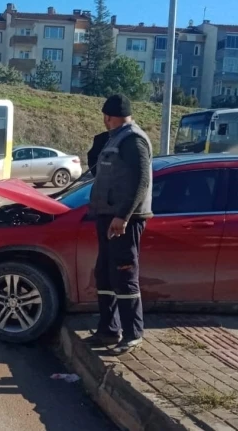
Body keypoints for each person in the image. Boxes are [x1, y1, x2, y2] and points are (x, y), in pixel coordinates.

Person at [85, 94, 153, 355]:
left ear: (109, 115)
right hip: (107, 218)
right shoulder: (115, 138)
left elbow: (141, 181)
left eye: (105, 116)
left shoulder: (133, 139)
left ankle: (133, 333)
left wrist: (123, 216)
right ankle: (108, 330)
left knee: (124, 276)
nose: (104, 120)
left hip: (124, 221)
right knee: (105, 274)